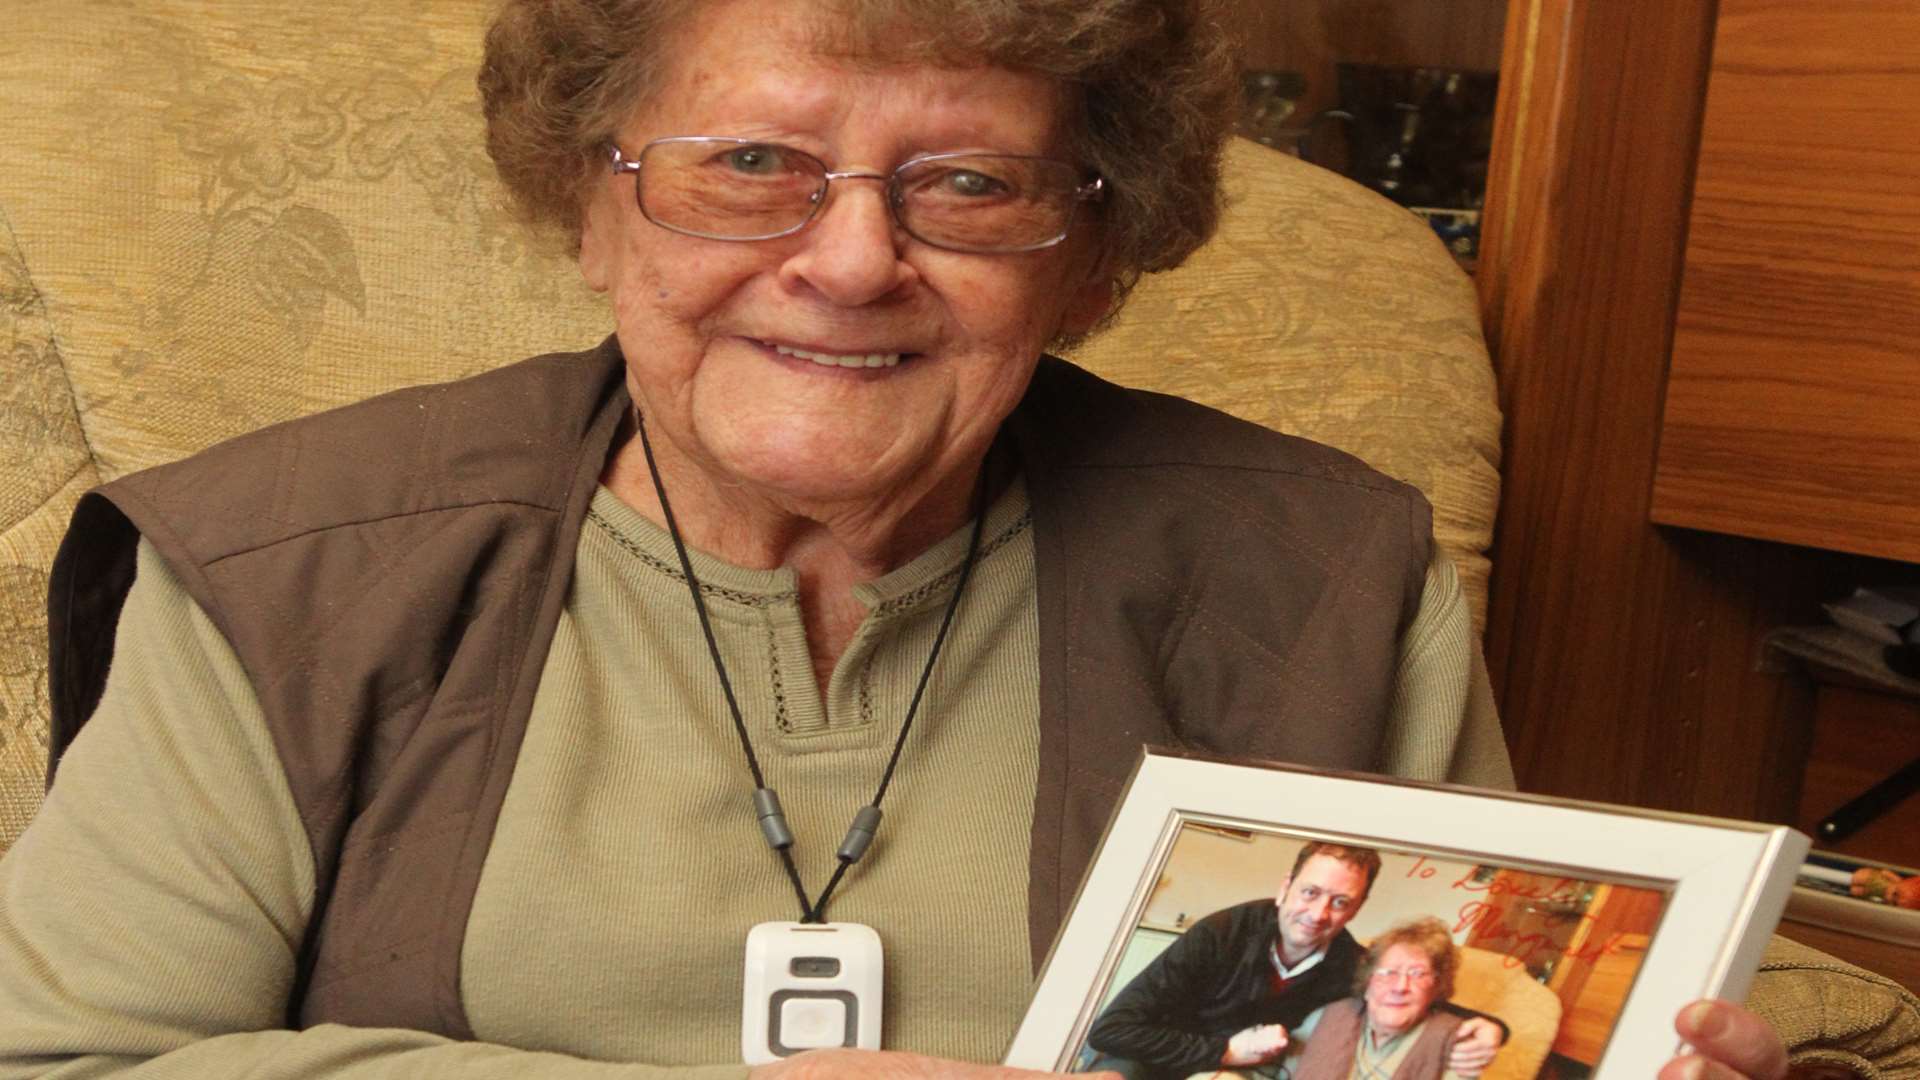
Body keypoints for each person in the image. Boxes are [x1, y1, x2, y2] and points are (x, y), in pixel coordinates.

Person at [0, 1, 1792, 1078]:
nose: (852, 260)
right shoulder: (294, 569)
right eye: (751, 165)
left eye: (970, 185)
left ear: (1092, 260)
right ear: (588, 201)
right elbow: (63, 1058)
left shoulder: (1317, 579)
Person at [1081, 844, 1500, 1079]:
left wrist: (1494, 1027)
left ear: (1356, 909)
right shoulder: (1221, 932)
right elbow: (1113, 1029)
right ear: (1285, 888)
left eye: (1340, 902)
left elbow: (1408, 992)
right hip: (1152, 1060)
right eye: (1310, 893)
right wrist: (1224, 1050)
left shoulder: (1350, 965)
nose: (1319, 914)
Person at [1289, 917, 1472, 1080]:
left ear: (1436, 986)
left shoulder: (1455, 1046)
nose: (1400, 987)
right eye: (1388, 972)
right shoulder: (1327, 1018)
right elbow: (1278, 1071)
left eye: (1417, 974)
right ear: (1368, 983)